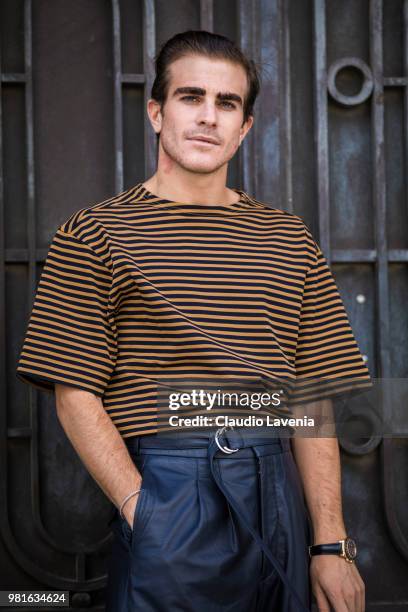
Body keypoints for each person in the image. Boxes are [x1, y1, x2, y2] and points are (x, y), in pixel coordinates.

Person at [16, 30, 371, 611]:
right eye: (191, 97)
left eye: (226, 103)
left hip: (277, 480)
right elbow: (74, 394)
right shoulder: (95, 233)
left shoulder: (289, 238)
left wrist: (331, 543)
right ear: (157, 111)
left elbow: (314, 399)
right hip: (170, 485)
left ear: (245, 126)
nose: (209, 117)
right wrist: (144, 511)